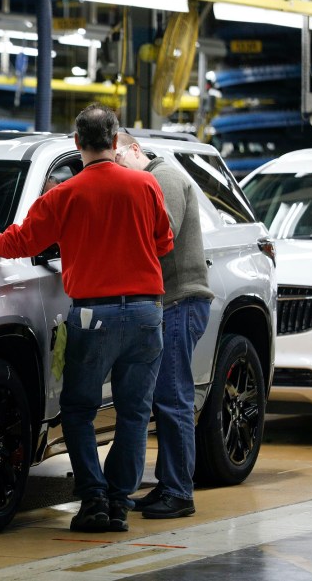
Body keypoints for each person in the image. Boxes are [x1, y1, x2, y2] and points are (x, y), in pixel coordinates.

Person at [0, 103, 173, 533]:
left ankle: (94, 502)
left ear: (76, 143)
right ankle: (119, 503)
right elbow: (164, 243)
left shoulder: (63, 196)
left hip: (94, 315)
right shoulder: (146, 186)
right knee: (134, 413)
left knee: (78, 409)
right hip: (146, 313)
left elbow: (17, 244)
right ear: (115, 139)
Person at [115, 132, 214, 519]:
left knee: (173, 399)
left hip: (180, 301)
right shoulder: (147, 180)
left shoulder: (164, 177)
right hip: (168, 303)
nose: (117, 168)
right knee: (163, 399)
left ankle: (179, 492)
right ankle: (167, 485)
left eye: (119, 159)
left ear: (136, 150)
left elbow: (162, 235)